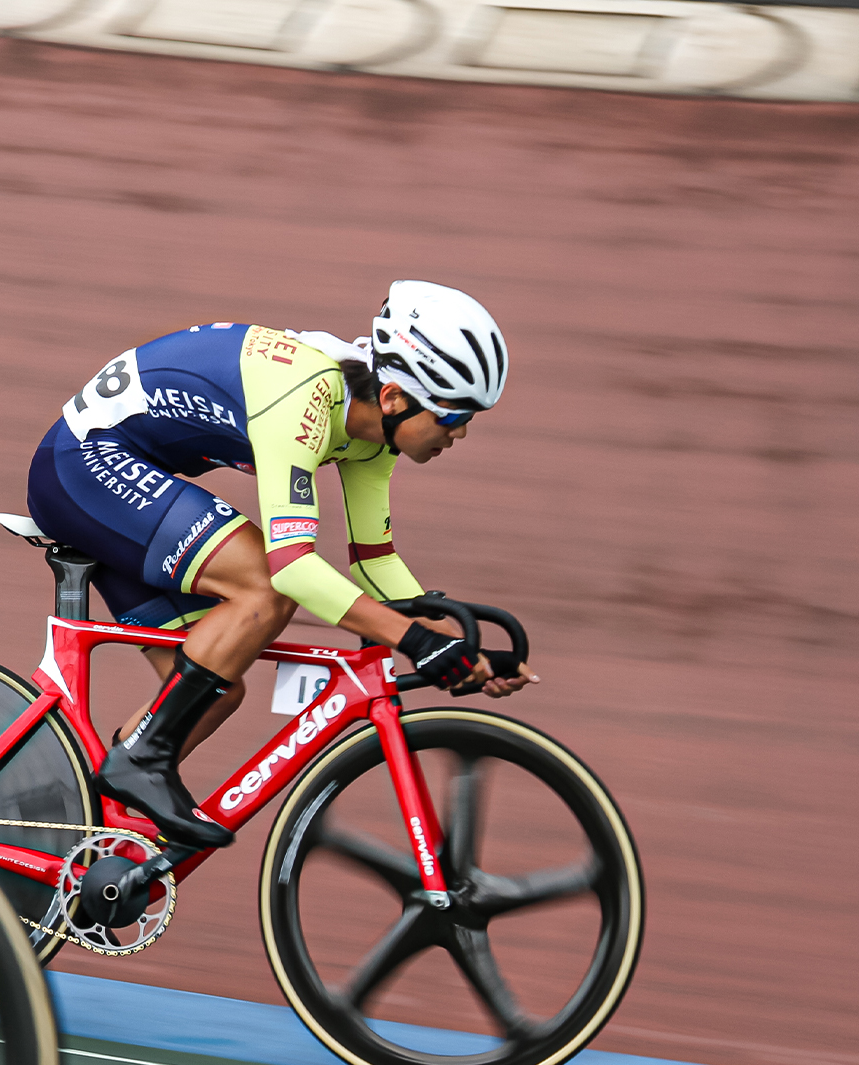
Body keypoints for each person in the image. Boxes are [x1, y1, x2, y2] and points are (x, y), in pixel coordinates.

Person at [27, 280, 538, 851]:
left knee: (211, 685)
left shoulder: (372, 437)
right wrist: (413, 639)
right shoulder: (305, 399)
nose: (461, 432)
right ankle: (139, 761)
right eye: (453, 417)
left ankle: (67, 841)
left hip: (128, 477)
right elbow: (292, 567)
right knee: (266, 592)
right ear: (394, 398)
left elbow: (375, 562)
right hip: (84, 464)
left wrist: (457, 644)